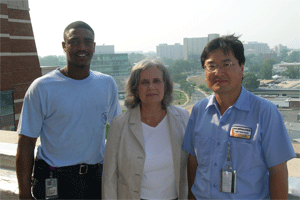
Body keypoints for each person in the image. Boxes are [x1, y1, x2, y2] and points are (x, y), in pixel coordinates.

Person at [16, 21, 121, 199]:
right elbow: (26, 143)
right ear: (64, 46)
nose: (82, 47)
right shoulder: (42, 87)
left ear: (94, 47)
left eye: (87, 42)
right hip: (54, 180)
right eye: (74, 41)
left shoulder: (106, 84)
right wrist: (24, 192)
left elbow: (119, 131)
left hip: (95, 179)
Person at [182, 35, 296, 199]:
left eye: (226, 64)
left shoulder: (265, 113)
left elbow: (278, 172)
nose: (218, 72)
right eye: (211, 66)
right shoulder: (199, 110)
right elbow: (193, 160)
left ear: (242, 68)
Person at [102, 59, 190, 199]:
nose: (151, 87)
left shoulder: (183, 118)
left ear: (165, 86)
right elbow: (109, 177)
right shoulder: (120, 124)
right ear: (136, 88)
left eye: (156, 81)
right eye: (144, 82)